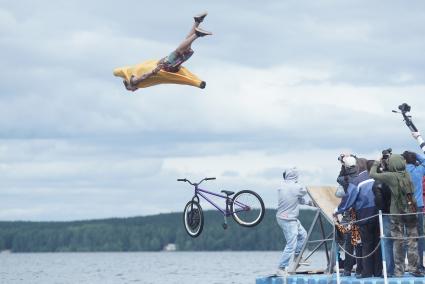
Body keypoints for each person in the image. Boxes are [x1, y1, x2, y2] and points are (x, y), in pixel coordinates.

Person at [117, 12, 212, 92]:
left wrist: (153, 72)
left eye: (130, 89)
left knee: (179, 51)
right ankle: (197, 22)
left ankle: (197, 34)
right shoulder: (135, 70)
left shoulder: (134, 81)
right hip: (165, 65)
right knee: (186, 46)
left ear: (129, 84)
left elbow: (144, 76)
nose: (133, 91)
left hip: (165, 67)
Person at [370, 154, 423, 277]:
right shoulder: (408, 174)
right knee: (412, 241)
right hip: (411, 210)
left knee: (398, 242)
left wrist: (377, 162)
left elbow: (372, 174)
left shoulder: (391, 176)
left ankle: (399, 271)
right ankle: (414, 268)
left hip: (396, 213)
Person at [334, 168, 382, 278]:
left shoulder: (353, 181)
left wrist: (342, 168)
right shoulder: (372, 178)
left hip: (357, 218)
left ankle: (357, 270)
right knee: (374, 244)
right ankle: (376, 271)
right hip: (374, 214)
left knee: (359, 245)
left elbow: (340, 180)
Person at [276, 167, 311, 275]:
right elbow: (308, 191)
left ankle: (297, 257)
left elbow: (298, 199)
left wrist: (311, 204)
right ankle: (281, 268)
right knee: (291, 244)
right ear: (295, 176)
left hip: (289, 218)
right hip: (287, 219)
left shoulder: (283, 186)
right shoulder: (296, 187)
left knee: (303, 235)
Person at [367, 160, 394, 277]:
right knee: (401, 242)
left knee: (387, 242)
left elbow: (379, 201)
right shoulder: (398, 177)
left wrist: (381, 210)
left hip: (386, 214)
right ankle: (399, 269)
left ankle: (389, 270)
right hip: (399, 213)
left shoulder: (378, 181)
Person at [402, 150, 425, 272]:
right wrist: (416, 155)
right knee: (420, 237)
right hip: (419, 207)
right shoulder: (419, 170)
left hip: (406, 207)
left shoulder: (401, 173)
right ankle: (420, 265)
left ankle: (411, 265)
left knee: (408, 236)